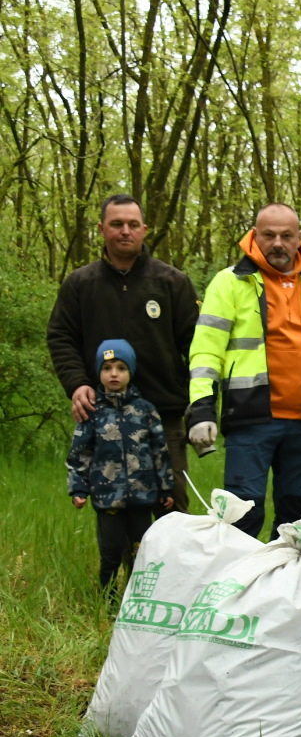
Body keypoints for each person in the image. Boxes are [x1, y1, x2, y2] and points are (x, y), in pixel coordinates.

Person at [187, 204, 301, 537]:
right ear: (255, 236)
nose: (278, 243)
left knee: (297, 516)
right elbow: (206, 350)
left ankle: (283, 584)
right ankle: (239, 583)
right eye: (269, 235)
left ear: (300, 238)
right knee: (243, 511)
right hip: (250, 417)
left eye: (286, 235)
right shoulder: (230, 283)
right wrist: (201, 408)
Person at [48, 194, 197, 512]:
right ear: (102, 229)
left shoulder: (172, 283)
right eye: (116, 224)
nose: (125, 231)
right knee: (119, 511)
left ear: (144, 229)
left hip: (164, 413)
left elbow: (197, 348)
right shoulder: (80, 284)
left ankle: (175, 564)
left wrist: (200, 405)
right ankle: (129, 564)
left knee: (174, 508)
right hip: (105, 417)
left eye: (132, 224)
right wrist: (77, 384)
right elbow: (61, 337)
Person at [66, 340, 176, 599]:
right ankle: (106, 598)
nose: (113, 374)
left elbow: (160, 451)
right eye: (106, 368)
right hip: (107, 497)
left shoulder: (145, 411)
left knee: (140, 550)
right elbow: (80, 453)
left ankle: (136, 598)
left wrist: (165, 487)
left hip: (142, 496)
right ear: (99, 373)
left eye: (121, 368)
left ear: (131, 371)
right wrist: (78, 488)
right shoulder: (93, 413)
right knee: (111, 551)